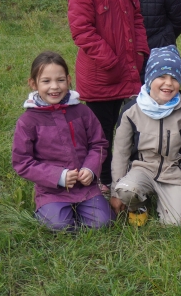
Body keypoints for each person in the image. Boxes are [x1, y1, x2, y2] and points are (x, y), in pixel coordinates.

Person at [66, 0, 149, 190]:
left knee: (126, 127)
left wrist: (139, 52)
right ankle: (100, 179)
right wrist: (112, 62)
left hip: (128, 69)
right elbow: (82, 32)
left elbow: (136, 17)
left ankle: (125, 172)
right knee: (101, 131)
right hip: (102, 74)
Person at [11, 51, 113, 231]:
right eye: (46, 81)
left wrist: (90, 168)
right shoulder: (27, 121)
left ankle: (87, 206)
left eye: (60, 80)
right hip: (50, 190)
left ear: (68, 79)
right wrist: (58, 176)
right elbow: (23, 162)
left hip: (85, 186)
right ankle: (48, 208)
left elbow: (99, 144)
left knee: (102, 223)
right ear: (33, 83)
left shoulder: (82, 112)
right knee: (60, 226)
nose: (54, 87)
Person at [109, 46, 181, 226]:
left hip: (173, 173)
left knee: (180, 223)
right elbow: (120, 153)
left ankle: (173, 201)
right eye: (161, 76)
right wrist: (114, 191)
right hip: (141, 170)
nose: (168, 83)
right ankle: (139, 204)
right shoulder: (130, 111)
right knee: (127, 190)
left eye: (174, 78)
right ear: (150, 78)